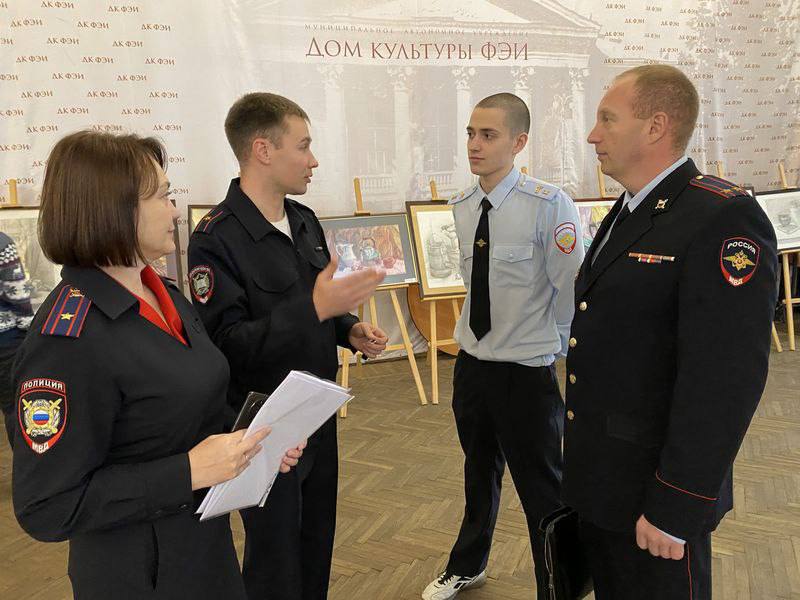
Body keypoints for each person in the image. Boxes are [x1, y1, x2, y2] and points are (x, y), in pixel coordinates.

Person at [12, 130, 303, 599]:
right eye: (163, 196)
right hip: (138, 572)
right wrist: (188, 471)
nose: (174, 210)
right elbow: (47, 505)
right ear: (114, 207)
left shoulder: (162, 292)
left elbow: (186, 404)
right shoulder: (68, 338)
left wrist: (252, 441)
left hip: (203, 547)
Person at [562, 65, 778, 599]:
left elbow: (724, 381)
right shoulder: (633, 207)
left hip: (656, 496)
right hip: (609, 483)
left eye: (607, 120)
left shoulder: (721, 218)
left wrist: (677, 506)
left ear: (656, 127)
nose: (593, 135)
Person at [187, 92, 387, 600]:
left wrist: (347, 329)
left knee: (316, 543)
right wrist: (316, 311)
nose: (314, 160)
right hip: (263, 427)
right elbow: (227, 345)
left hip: (317, 413)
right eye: (304, 146)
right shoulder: (216, 238)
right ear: (263, 150)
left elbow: (316, 302)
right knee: (275, 560)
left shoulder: (303, 221)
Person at [422, 93, 584, 600]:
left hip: (525, 373)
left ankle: (557, 584)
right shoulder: (463, 205)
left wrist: (549, 348)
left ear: (519, 142)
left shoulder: (547, 203)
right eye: (470, 133)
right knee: (478, 473)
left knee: (544, 489)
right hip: (473, 366)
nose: (474, 144)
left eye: (487, 135)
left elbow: (569, 287)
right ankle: (468, 564)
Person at [0, 231, 34, 445]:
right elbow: (18, 294)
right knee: (15, 406)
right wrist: (28, 328)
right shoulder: (3, 243)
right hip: (6, 342)